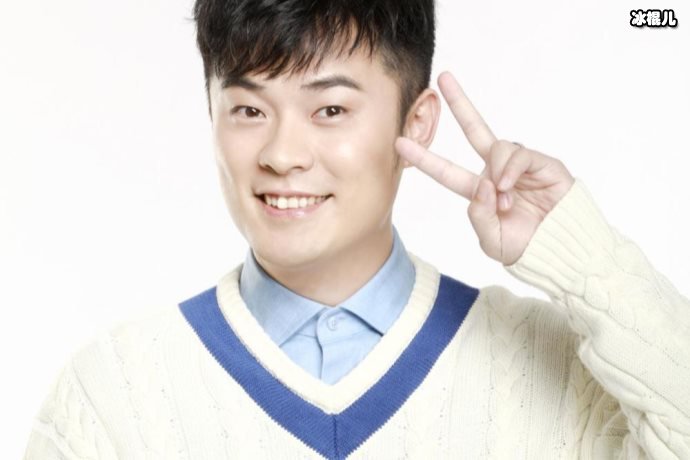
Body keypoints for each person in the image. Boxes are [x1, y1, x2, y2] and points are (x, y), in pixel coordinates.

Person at [24, 0, 690, 458]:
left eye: (331, 109)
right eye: (249, 109)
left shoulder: (552, 371)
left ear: (416, 123)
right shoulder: (114, 396)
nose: (282, 154)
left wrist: (585, 261)